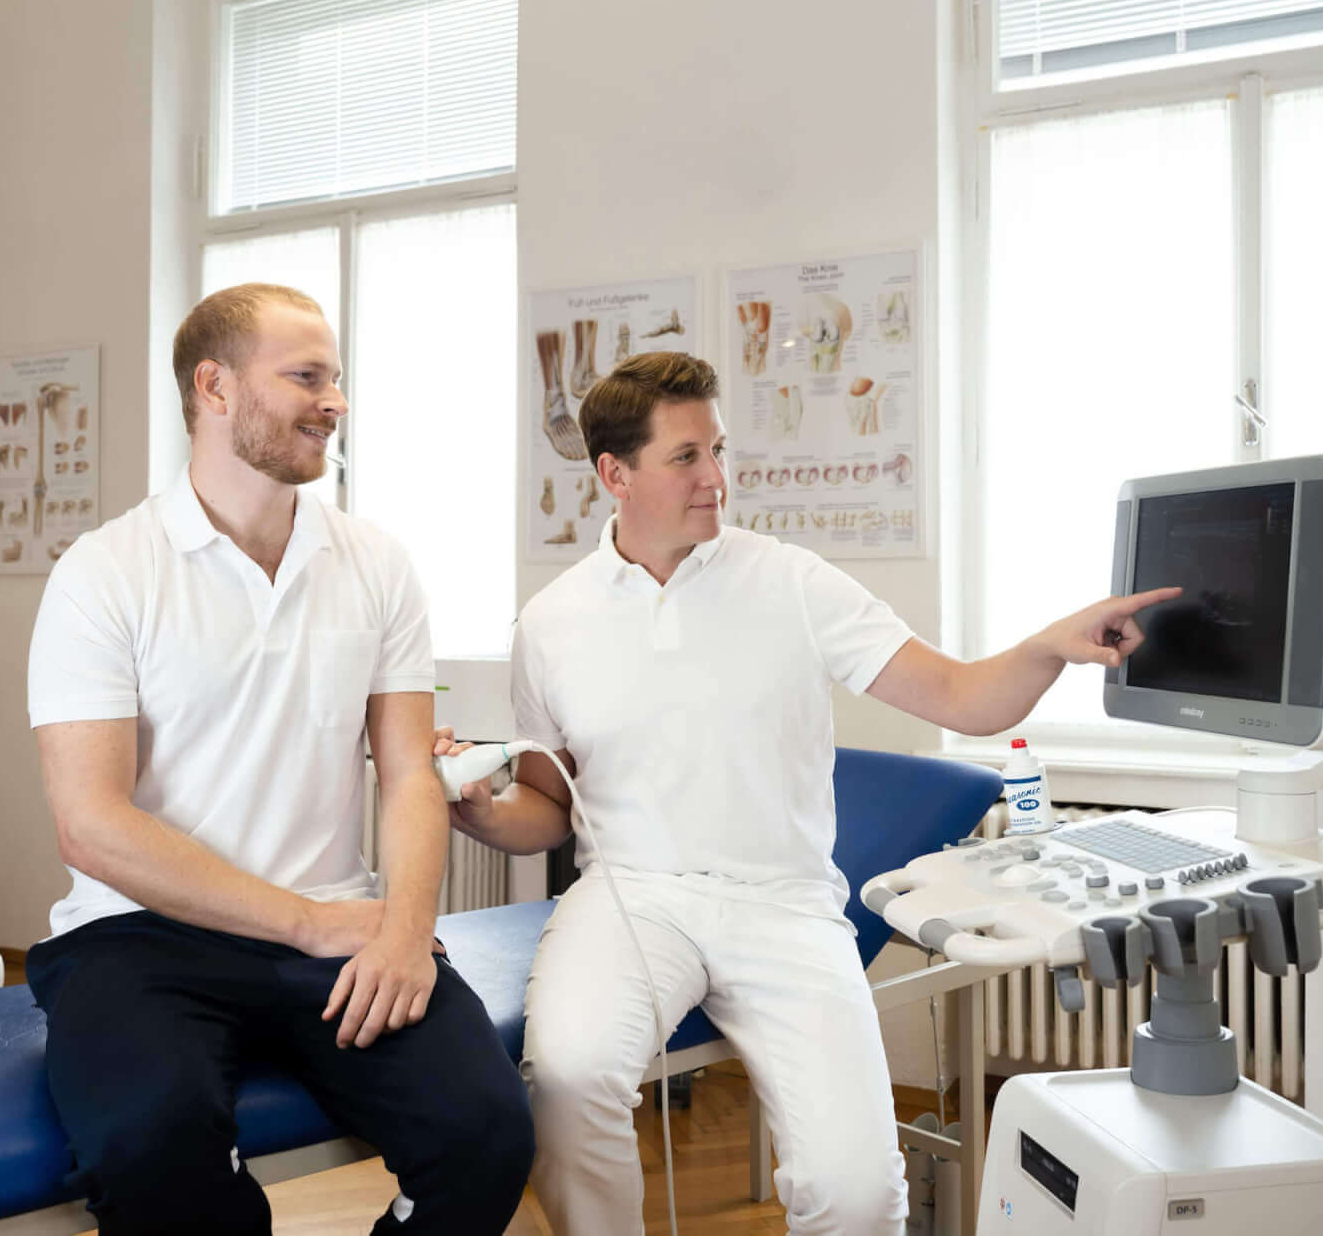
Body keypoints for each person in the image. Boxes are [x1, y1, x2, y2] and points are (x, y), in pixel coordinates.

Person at [450, 351, 1175, 1234]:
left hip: (785, 903)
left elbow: (960, 696)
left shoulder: (790, 582)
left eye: (718, 450)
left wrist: (1049, 647)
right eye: (686, 457)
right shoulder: (551, 623)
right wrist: (482, 813)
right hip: (631, 899)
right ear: (615, 473)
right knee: (567, 1077)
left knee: (857, 1191)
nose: (716, 478)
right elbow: (548, 807)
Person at [26, 283, 534, 1235]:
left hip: (340, 924)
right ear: (213, 388)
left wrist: (402, 927)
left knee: (487, 1133)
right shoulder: (105, 572)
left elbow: (409, 771)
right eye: (306, 376)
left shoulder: (375, 563)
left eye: (335, 378)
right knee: (154, 1147)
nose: (334, 401)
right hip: (139, 939)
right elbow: (92, 825)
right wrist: (305, 925)